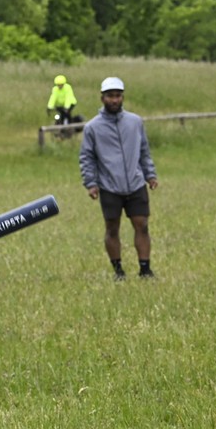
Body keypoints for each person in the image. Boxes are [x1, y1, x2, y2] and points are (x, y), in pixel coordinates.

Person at [79, 76, 160, 280]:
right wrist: (91, 183)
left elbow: (144, 151)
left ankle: (145, 269)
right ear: (102, 98)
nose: (114, 100)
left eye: (117, 96)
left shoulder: (135, 122)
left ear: (122, 97)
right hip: (109, 186)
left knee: (142, 224)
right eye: (110, 96)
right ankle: (118, 270)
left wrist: (150, 174)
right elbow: (87, 156)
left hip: (135, 183)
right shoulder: (92, 128)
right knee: (112, 228)